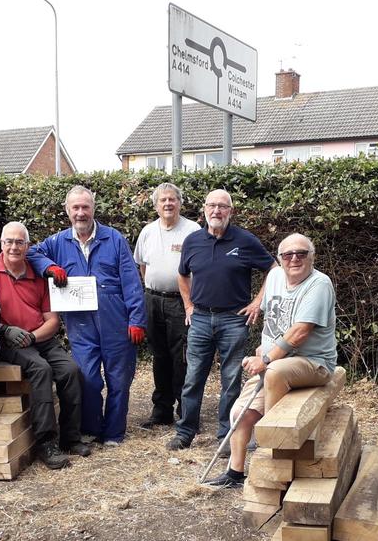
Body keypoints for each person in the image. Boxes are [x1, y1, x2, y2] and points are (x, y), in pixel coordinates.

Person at [205, 234, 337, 488]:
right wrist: (263, 348)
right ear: (280, 259)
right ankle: (234, 472)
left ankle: (272, 450)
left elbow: (300, 331)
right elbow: (273, 321)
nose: (294, 259)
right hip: (277, 363)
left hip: (313, 362)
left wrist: (267, 357)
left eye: (301, 253)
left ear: (312, 257)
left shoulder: (319, 284)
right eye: (287, 255)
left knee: (275, 371)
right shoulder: (275, 277)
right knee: (238, 414)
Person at [27, 186, 146, 445]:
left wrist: (137, 319)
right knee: (89, 377)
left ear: (93, 208)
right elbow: (31, 253)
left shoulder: (113, 239)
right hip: (80, 322)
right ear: (67, 210)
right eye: (75, 208)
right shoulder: (58, 242)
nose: (81, 213)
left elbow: (131, 281)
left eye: (85, 207)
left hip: (116, 320)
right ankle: (92, 428)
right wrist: (50, 266)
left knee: (119, 379)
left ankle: (114, 432)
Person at [167, 189, 277, 451]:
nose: (216, 211)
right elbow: (182, 275)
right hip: (201, 319)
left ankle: (226, 434)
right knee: (193, 377)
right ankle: (185, 432)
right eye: (212, 206)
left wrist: (257, 302)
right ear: (204, 209)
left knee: (231, 379)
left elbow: (273, 270)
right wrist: (188, 305)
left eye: (222, 206)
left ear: (231, 211)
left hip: (233, 320)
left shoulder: (245, 240)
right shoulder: (192, 241)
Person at [0, 222, 91, 470]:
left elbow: (52, 321)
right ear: (1, 244)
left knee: (71, 371)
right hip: (8, 340)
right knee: (41, 370)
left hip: (39, 338)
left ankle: (70, 437)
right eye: (8, 241)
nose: (13, 247)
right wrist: (5, 330)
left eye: (19, 242)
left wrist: (33, 337)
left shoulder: (39, 276)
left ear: (28, 246)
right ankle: (46, 442)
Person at [133, 182, 200, 429]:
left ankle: (186, 411)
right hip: (153, 300)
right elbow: (142, 265)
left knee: (182, 357)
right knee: (159, 356)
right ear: (156, 205)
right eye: (163, 200)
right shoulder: (148, 231)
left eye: (172, 199)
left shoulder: (192, 230)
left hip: (181, 303)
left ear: (180, 203)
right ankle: (161, 410)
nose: (168, 204)